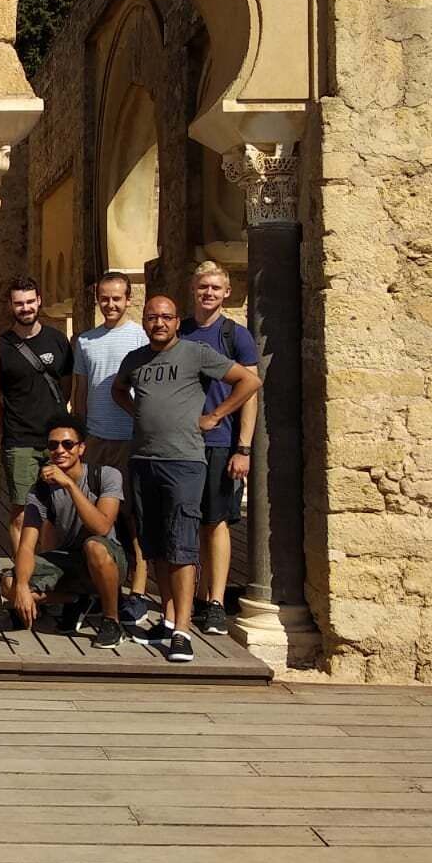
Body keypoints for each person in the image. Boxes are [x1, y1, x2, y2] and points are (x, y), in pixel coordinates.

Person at [112, 295, 261, 664]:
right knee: (156, 544)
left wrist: (215, 416)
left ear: (178, 321)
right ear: (144, 322)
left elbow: (248, 381)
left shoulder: (195, 354)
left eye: (166, 317)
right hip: (144, 460)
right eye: (152, 317)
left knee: (182, 544)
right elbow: (118, 390)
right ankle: (166, 617)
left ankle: (182, 629)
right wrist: (138, 412)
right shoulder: (135, 359)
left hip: (184, 462)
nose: (159, 323)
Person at [180, 260, 259, 637]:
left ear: (226, 292)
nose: (208, 293)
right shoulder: (180, 331)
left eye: (215, 288)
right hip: (182, 443)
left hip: (219, 441)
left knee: (217, 521)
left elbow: (251, 392)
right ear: (193, 290)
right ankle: (193, 595)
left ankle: (215, 601)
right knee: (190, 520)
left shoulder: (235, 335)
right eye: (202, 287)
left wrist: (241, 446)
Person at [1, 413, 125, 646]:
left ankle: (112, 620)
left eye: (68, 444)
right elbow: (27, 546)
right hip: (69, 560)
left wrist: (69, 484)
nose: (60, 450)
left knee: (94, 545)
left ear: (81, 448)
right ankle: (77, 600)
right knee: (10, 582)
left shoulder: (106, 475)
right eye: (53, 445)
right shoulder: (40, 490)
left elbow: (101, 526)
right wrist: (22, 587)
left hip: (109, 558)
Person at [71, 271, 150, 629]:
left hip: (130, 437)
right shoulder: (85, 341)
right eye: (105, 298)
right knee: (93, 515)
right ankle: (97, 586)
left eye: (117, 297)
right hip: (96, 440)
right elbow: (80, 391)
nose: (111, 304)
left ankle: (137, 590)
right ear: (97, 299)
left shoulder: (141, 337)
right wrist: (80, 432)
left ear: (128, 298)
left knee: (132, 515)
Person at [0, 275, 73, 547]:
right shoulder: (1, 346)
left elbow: (67, 387)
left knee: (54, 511)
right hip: (20, 441)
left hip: (56, 441)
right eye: (19, 303)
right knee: (22, 512)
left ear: (39, 301)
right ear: (10, 306)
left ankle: (47, 572)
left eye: (30, 302)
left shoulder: (57, 340)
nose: (25, 308)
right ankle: (23, 576)